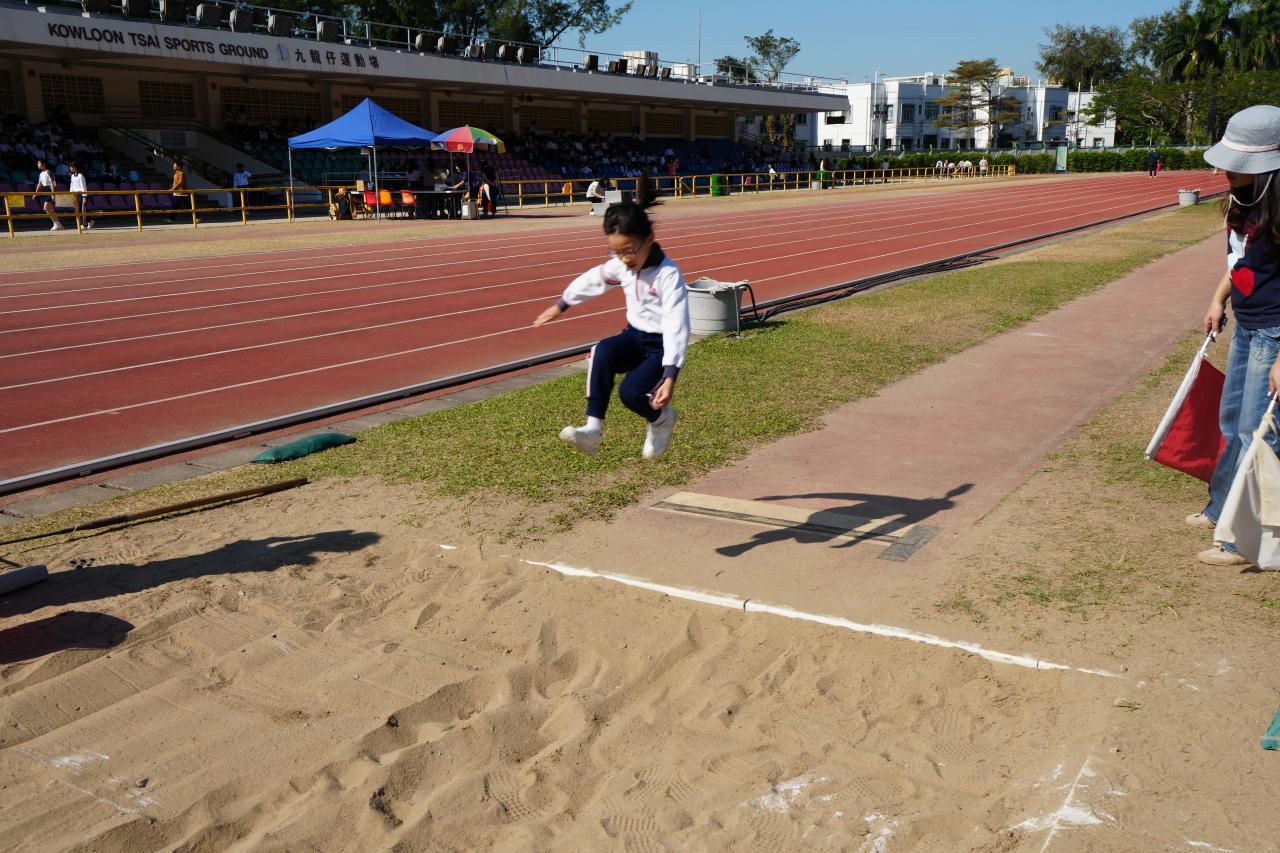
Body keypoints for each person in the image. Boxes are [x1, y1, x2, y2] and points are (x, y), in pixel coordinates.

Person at [532, 176, 689, 459]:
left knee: (630, 393)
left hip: (661, 347)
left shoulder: (668, 275)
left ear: (649, 240)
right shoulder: (622, 265)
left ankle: (662, 420)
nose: (624, 258)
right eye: (616, 251)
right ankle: (592, 430)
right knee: (601, 351)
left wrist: (670, 375)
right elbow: (594, 279)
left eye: (629, 250)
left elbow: (677, 325)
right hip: (634, 337)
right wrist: (562, 304)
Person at [1192, 105, 1280, 566]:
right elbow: (1238, 263)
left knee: (1257, 432)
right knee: (1231, 423)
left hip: (1274, 332)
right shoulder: (1243, 203)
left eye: (1236, 162)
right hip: (1247, 326)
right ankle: (1219, 508)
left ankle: (1241, 540)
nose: (1224, 169)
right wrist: (1217, 300)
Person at [35, 158, 62, 231]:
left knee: (46, 208)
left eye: (39, 163)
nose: (38, 165)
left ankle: (57, 224)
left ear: (43, 164)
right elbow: (39, 184)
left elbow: (53, 183)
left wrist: (53, 194)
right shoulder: (41, 174)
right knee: (50, 209)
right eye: (37, 163)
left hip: (50, 190)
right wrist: (36, 193)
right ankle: (58, 224)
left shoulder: (48, 172)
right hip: (45, 191)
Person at [67, 161, 90, 230]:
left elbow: (84, 187)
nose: (70, 168)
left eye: (72, 167)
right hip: (75, 195)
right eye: (70, 167)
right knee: (77, 210)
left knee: (82, 209)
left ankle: (84, 224)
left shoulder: (80, 176)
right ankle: (90, 220)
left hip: (81, 194)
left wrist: (84, 197)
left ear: (75, 167)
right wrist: (71, 194)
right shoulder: (72, 176)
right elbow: (71, 186)